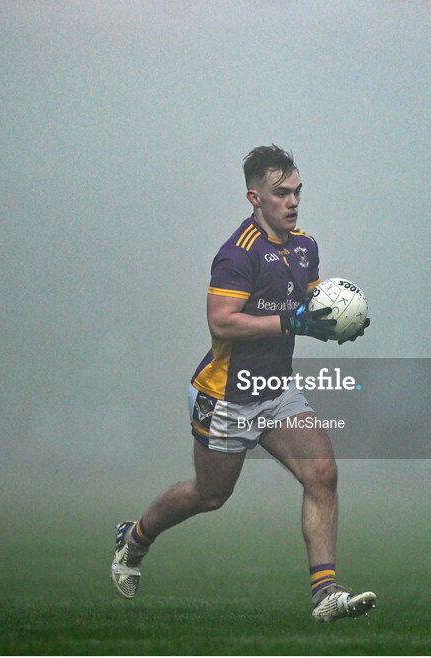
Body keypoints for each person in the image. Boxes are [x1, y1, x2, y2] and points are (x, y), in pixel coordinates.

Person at [111, 145, 373, 622]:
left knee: (323, 474)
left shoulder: (304, 245)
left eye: (297, 192)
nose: (292, 202)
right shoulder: (237, 255)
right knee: (209, 495)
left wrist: (336, 318)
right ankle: (134, 538)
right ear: (255, 197)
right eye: (281, 194)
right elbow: (222, 324)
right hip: (226, 394)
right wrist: (293, 323)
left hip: (275, 391)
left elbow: (305, 302)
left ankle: (325, 593)